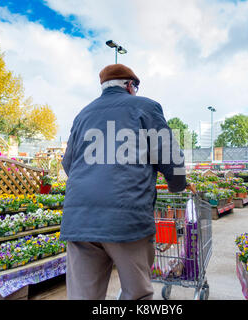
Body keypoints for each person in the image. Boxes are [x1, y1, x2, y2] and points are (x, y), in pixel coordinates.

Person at [60, 64, 189, 300]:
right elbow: (170, 157)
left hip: (79, 220)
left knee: (82, 296)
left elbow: (68, 163)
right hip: (126, 217)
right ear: (130, 86)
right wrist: (177, 185)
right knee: (136, 294)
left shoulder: (83, 114)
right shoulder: (146, 107)